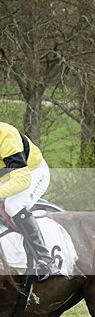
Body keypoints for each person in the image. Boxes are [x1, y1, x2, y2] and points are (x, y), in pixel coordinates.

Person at [0, 121, 58, 282]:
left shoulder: (6, 136)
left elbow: (22, 180)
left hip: (31, 173)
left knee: (12, 205)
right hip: (5, 176)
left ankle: (46, 260)